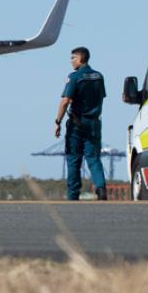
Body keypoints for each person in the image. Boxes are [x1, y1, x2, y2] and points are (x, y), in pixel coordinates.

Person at [54, 46, 108, 200]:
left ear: (81, 58)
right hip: (95, 123)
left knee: (73, 159)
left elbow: (65, 102)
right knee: (93, 157)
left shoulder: (75, 77)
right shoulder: (99, 76)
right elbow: (101, 97)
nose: (71, 61)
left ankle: (73, 196)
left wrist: (57, 121)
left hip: (77, 124)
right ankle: (101, 189)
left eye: (73, 58)